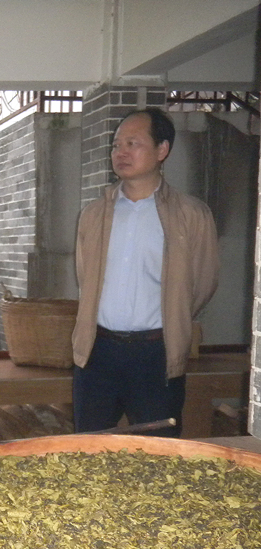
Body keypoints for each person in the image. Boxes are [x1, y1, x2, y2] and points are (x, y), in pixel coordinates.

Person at [72, 108, 219, 437]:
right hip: (97, 352)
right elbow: (85, 277)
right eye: (116, 145)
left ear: (162, 149)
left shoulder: (191, 215)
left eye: (133, 143)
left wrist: (174, 317)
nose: (120, 152)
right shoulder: (94, 214)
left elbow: (203, 282)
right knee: (87, 449)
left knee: (158, 450)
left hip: (156, 354)